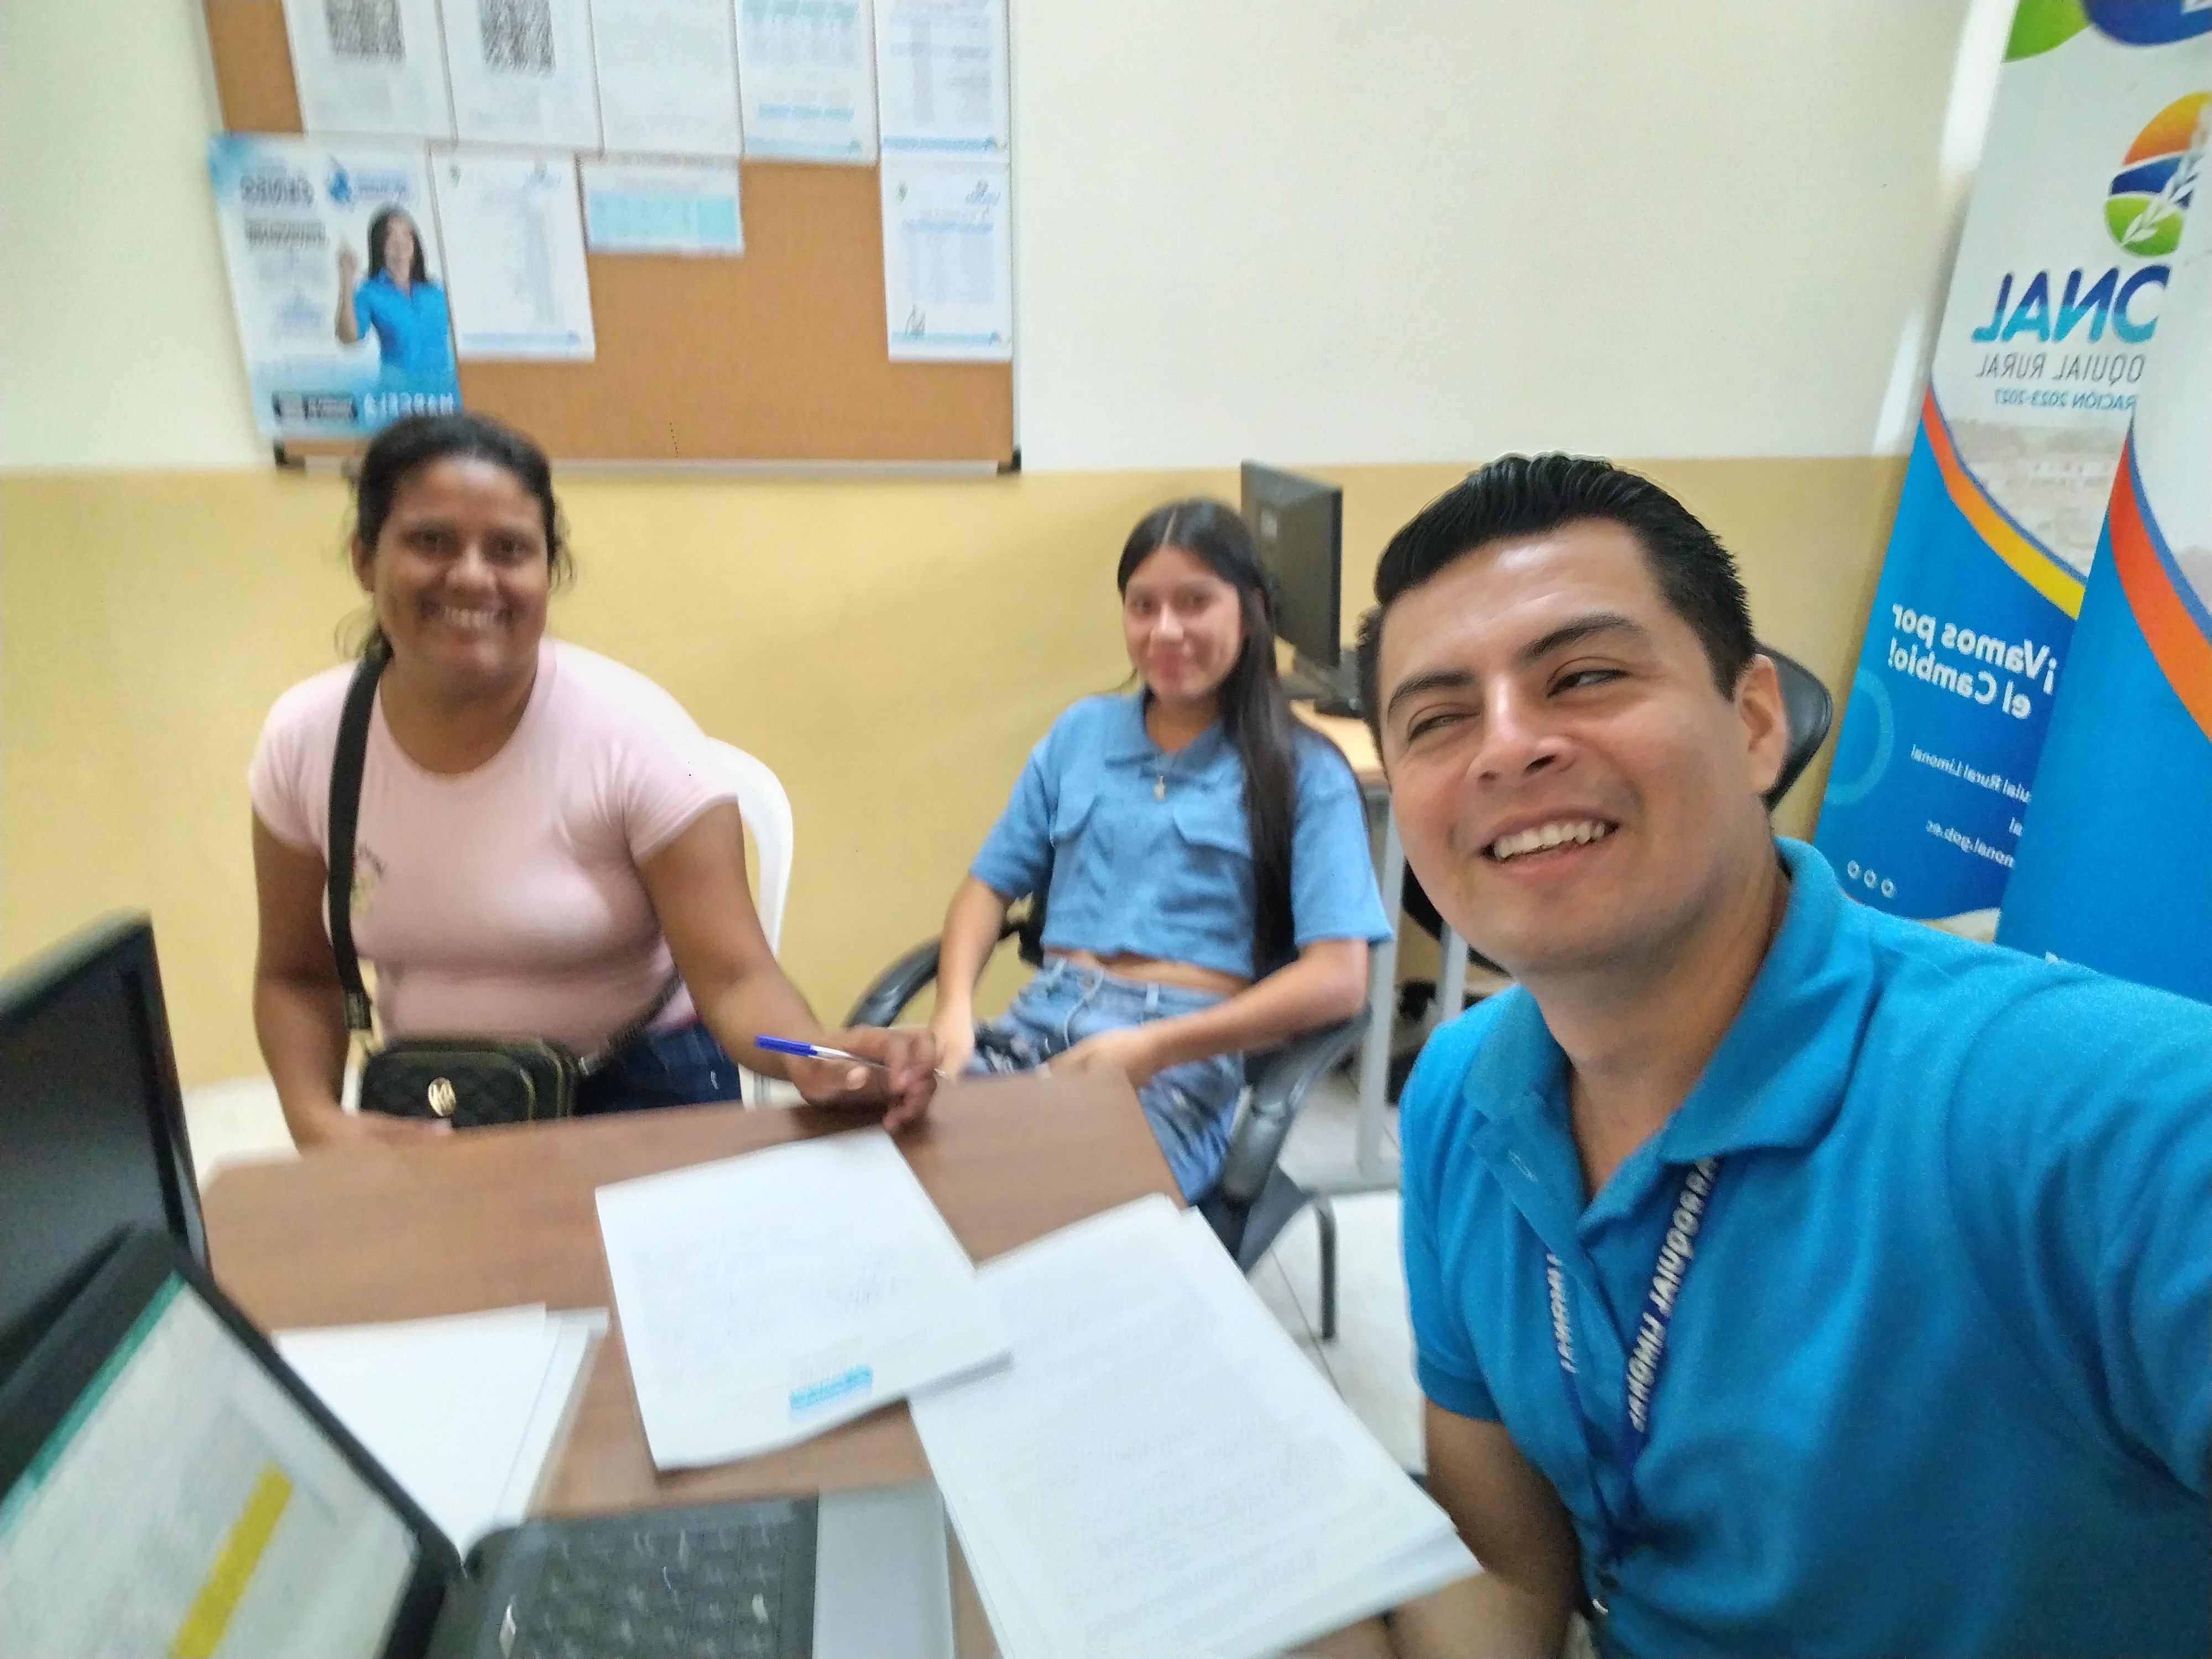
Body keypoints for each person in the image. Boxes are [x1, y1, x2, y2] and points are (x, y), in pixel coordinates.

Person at [1327, 454, 2210, 1657]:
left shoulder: (2097, 1117)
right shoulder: (1458, 1096)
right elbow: (1508, 1571)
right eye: (1437, 720)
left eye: (1582, 676)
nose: (1507, 747)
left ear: (1751, 724)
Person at [249, 411, 935, 1149]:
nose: (472, 576)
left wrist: (815, 1055)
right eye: (432, 541)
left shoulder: (638, 737)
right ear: (365, 559)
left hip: (640, 1085)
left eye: (509, 549)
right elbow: (296, 976)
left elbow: (736, 981)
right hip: (436, 1098)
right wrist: (318, 1124)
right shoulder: (310, 741)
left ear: (548, 571)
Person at [927, 499, 1391, 1201]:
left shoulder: (1304, 770)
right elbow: (986, 887)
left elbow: (1338, 978)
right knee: (899, 1175)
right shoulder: (1081, 734)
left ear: (1252, 612)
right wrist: (953, 1011)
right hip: (1032, 1026)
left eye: (1194, 602)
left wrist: (1156, 1047)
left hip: (1176, 1061)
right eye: (1142, 606)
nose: (1165, 630)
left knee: (1036, 1208)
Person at [335, 206, 454, 377]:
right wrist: (347, 280)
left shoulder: (436, 291)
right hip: (398, 391)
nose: (400, 243)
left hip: (442, 390)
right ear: (380, 245)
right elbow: (349, 338)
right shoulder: (370, 293)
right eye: (391, 237)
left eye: (406, 235)